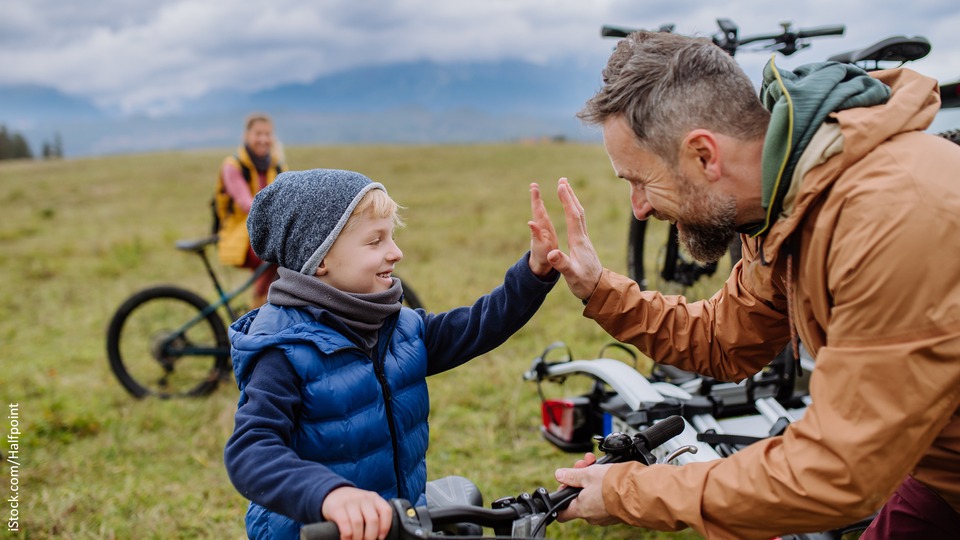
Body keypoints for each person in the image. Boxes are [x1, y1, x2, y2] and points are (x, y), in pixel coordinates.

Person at [541, 31, 960, 539]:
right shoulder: (781, 203)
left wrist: (627, 491)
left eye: (641, 181)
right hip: (942, 470)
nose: (640, 208)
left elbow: (834, 474)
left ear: (703, 155)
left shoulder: (893, 217)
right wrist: (598, 289)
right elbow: (726, 338)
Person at [223, 168, 560, 539]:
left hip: (396, 523)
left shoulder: (399, 327)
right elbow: (252, 450)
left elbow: (479, 325)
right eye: (375, 241)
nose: (396, 252)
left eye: (392, 236)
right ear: (320, 259)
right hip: (315, 531)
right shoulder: (283, 349)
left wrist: (534, 272)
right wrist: (328, 495)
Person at [215, 113, 287, 307]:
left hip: (268, 231)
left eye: (267, 134)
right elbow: (246, 203)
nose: (263, 139)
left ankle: (266, 303)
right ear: (246, 136)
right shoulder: (233, 166)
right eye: (258, 134)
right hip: (238, 233)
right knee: (273, 253)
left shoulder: (277, 165)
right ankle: (259, 304)